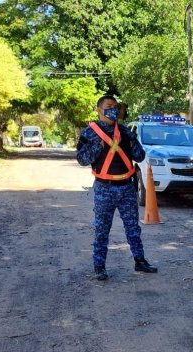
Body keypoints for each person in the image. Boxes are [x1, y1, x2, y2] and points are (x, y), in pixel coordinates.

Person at [77, 95, 158, 280]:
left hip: (127, 187)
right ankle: (99, 267)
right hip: (104, 188)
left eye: (115, 106)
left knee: (133, 228)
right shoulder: (89, 132)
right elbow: (82, 159)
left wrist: (131, 142)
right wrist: (98, 146)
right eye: (108, 106)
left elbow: (139, 156)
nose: (113, 109)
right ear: (99, 109)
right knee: (101, 229)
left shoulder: (125, 131)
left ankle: (140, 261)